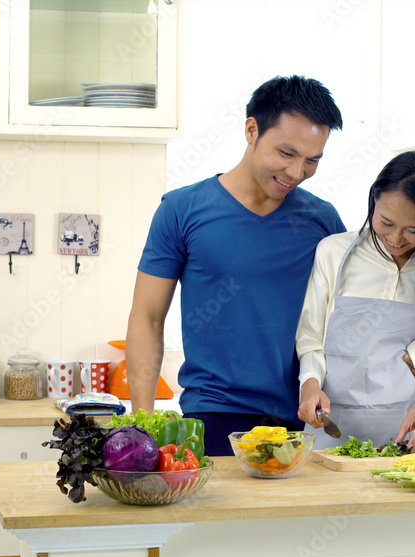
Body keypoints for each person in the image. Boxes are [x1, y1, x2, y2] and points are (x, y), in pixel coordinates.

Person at [126, 76, 346, 456]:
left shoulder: (322, 221)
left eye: (312, 160)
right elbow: (147, 318)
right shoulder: (182, 211)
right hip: (214, 416)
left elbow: (345, 318)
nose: (296, 172)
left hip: (302, 421)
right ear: (251, 129)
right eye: (286, 153)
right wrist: (142, 422)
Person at [296, 151, 415, 453]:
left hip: (412, 438)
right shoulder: (332, 252)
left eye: (414, 230)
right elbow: (311, 340)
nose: (395, 238)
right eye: (386, 222)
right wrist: (310, 384)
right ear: (374, 201)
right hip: (332, 431)